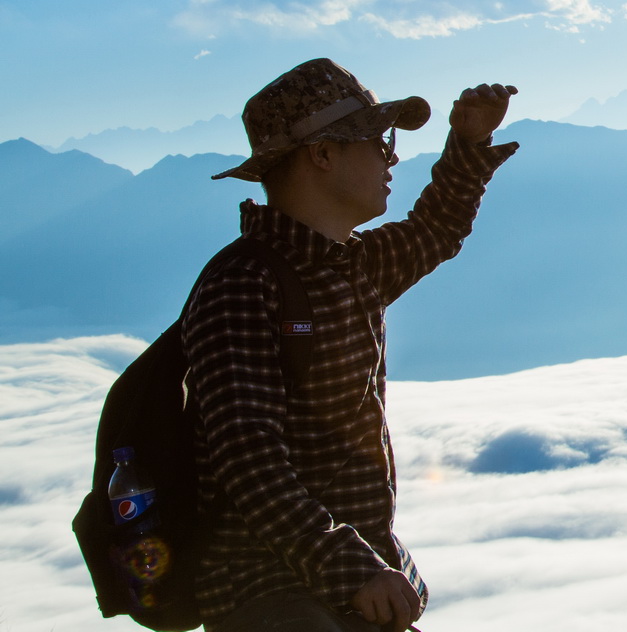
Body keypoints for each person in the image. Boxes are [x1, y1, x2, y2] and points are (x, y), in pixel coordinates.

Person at [182, 58, 519, 632]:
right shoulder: (242, 284)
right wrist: (354, 572)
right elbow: (250, 462)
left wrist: (468, 144)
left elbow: (436, 231)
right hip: (272, 596)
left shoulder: (349, 266)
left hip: (348, 589)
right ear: (322, 153)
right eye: (377, 140)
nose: (390, 157)